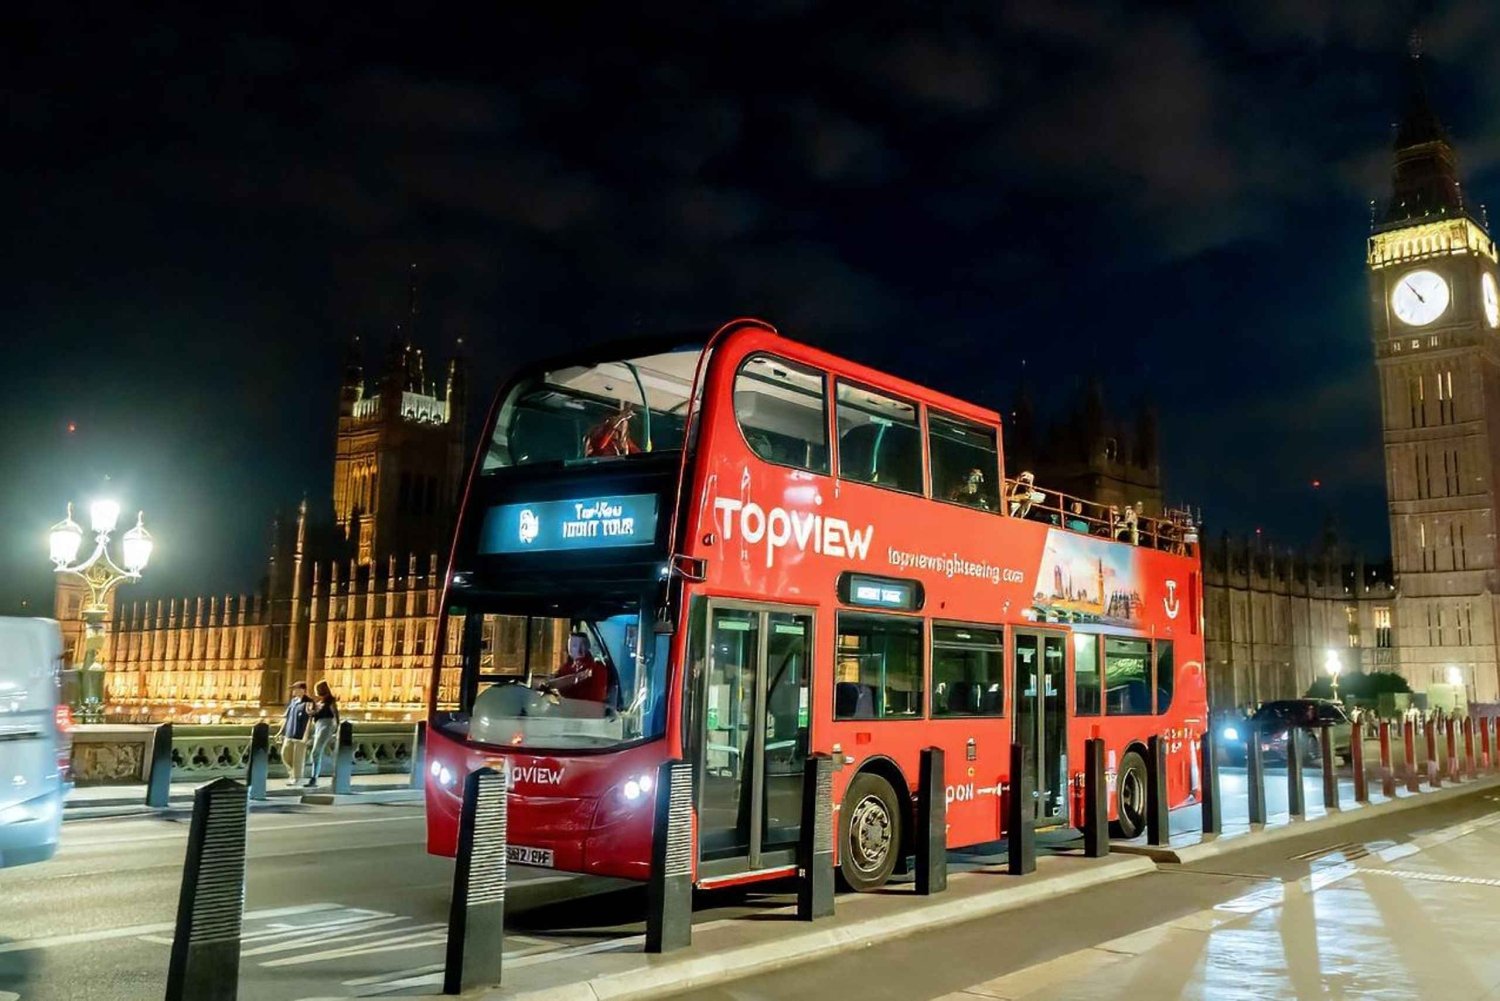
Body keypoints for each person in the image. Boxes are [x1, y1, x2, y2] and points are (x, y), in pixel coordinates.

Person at [537, 633, 608, 705]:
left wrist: (550, 684)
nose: (570, 649)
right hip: (567, 707)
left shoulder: (596, 667)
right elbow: (556, 677)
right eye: (569, 645)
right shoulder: (568, 666)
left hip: (585, 710)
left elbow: (576, 678)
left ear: (584, 647)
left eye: (574, 645)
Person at [304, 680, 340, 788]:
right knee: (316, 752)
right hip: (318, 727)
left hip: (326, 726)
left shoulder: (329, 701)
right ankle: (315, 776)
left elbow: (335, 714)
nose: (315, 691)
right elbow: (312, 714)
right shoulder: (319, 703)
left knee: (316, 752)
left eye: (317, 689)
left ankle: (314, 778)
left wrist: (337, 728)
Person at [278, 682, 312, 786]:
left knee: (298, 759)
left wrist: (308, 736)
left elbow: (311, 720)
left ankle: (297, 778)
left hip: (300, 736)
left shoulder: (308, 703)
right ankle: (292, 775)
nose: (293, 691)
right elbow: (286, 718)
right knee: (285, 755)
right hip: (289, 734)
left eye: (295, 689)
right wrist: (280, 732)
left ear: (302, 690)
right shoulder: (293, 701)